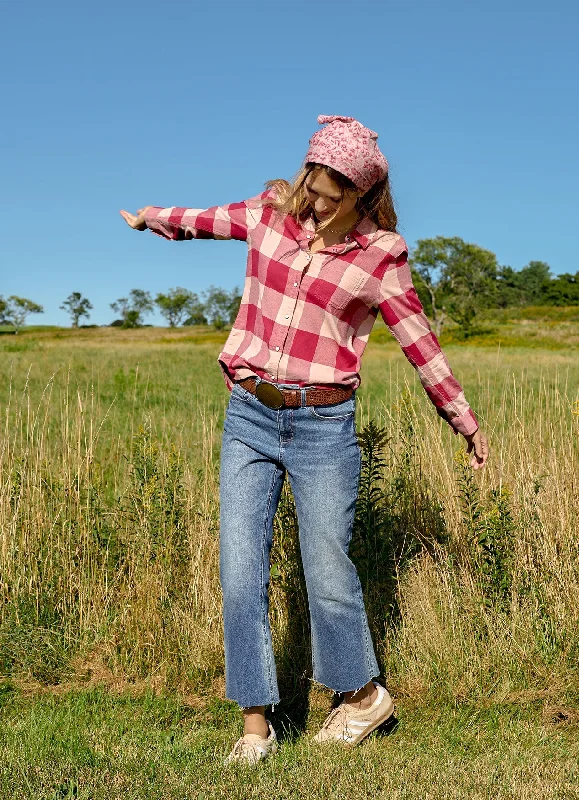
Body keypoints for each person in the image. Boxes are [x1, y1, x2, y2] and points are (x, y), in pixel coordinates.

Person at [120, 114, 489, 764]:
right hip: (249, 414)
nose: (314, 202)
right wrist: (155, 216)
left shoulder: (382, 256)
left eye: (330, 193)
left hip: (324, 426)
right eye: (311, 183)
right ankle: (256, 726)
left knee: (326, 570)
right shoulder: (270, 214)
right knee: (240, 573)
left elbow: (419, 344)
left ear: (363, 195)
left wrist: (463, 419)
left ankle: (363, 695)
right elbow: (207, 220)